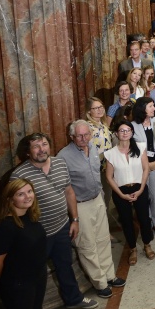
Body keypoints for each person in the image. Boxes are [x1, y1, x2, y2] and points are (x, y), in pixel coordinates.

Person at [10, 133, 99, 309]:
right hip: (36, 235)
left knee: (65, 266)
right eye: (36, 146)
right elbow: (14, 208)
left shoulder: (59, 163)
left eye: (44, 144)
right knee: (34, 275)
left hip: (61, 227)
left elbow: (69, 192)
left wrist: (74, 219)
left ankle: (73, 299)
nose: (41, 149)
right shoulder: (19, 174)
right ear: (28, 152)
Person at [58, 120, 119, 298]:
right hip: (81, 205)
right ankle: (100, 283)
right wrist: (73, 215)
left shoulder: (92, 147)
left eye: (87, 134)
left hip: (97, 199)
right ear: (72, 137)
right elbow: (64, 187)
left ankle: (110, 275)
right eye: (80, 136)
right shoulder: (63, 156)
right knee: (87, 245)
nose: (84, 138)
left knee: (102, 240)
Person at [0, 179, 48, 309]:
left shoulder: (29, 216)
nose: (27, 196)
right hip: (19, 285)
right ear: (10, 199)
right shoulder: (6, 226)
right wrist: (9, 282)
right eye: (20, 194)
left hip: (37, 278)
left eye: (29, 191)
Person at [105, 120, 155, 265]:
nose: (125, 133)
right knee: (126, 221)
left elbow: (146, 169)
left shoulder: (140, 147)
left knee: (144, 218)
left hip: (139, 187)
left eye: (128, 130)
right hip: (121, 190)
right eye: (122, 130)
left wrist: (140, 190)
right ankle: (132, 248)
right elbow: (109, 177)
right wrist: (121, 195)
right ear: (116, 133)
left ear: (132, 132)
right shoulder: (110, 154)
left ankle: (147, 244)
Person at [131, 97, 155, 237]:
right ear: (142, 108)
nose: (154, 109)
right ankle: (148, 222)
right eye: (151, 106)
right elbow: (131, 148)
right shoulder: (132, 126)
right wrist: (146, 165)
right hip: (140, 166)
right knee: (144, 197)